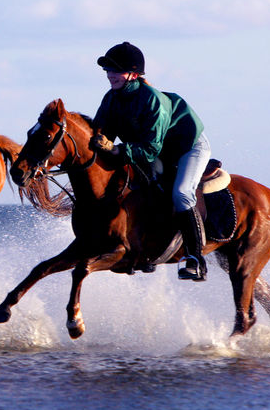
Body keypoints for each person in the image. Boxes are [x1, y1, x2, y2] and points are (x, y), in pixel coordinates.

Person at [89, 42, 212, 281]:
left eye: (116, 70)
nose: (110, 75)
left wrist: (114, 150)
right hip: (154, 149)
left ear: (133, 74)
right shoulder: (111, 98)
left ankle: (195, 259)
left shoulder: (152, 100)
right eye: (108, 70)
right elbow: (99, 134)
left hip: (188, 146)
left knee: (181, 194)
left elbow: (149, 149)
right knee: (137, 188)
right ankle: (145, 249)